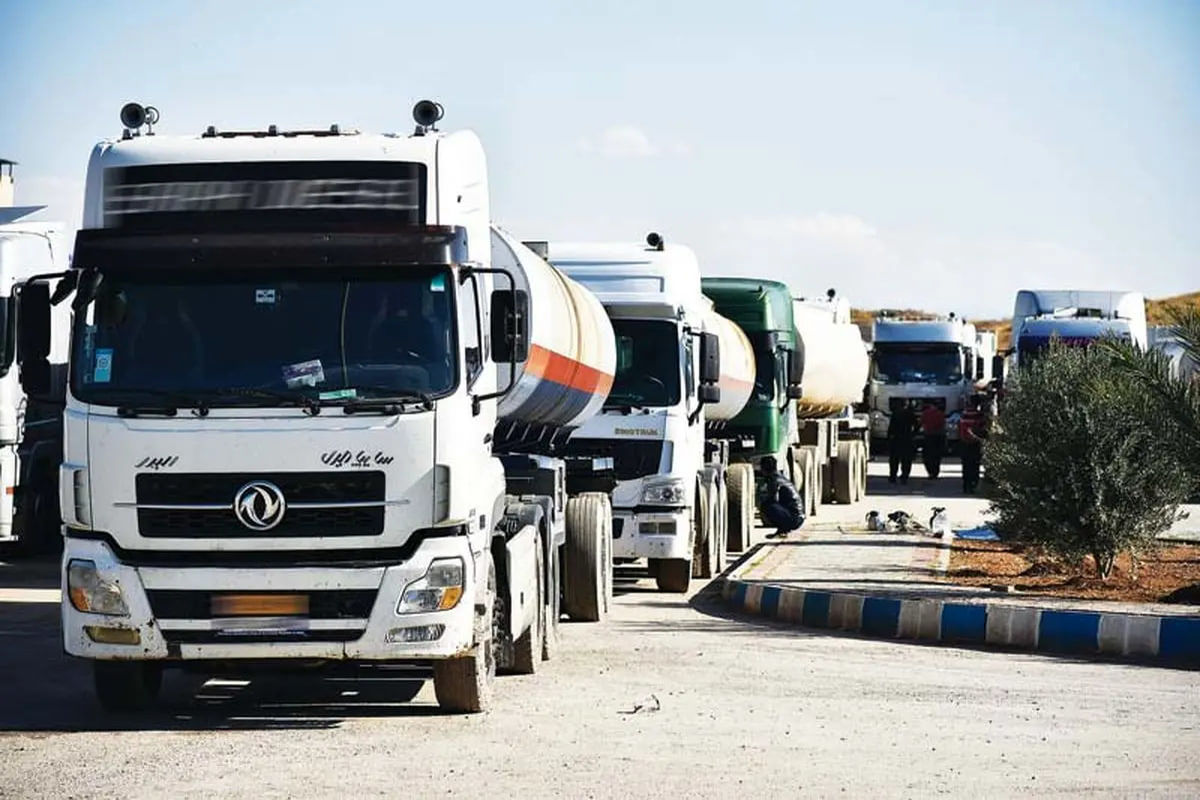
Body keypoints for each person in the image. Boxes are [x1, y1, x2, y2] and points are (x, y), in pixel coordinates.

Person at [757, 455, 804, 539]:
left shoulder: (774, 480)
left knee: (767, 505)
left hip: (794, 518)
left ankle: (783, 529)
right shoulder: (779, 477)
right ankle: (782, 530)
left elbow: (773, 499)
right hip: (798, 517)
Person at [959, 395, 988, 493]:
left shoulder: (964, 414)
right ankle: (973, 484)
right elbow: (983, 430)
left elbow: (960, 428)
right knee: (975, 465)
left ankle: (966, 485)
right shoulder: (979, 415)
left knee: (966, 465)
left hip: (964, 443)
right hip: (975, 443)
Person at [887, 404, 919, 484]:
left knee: (894, 459)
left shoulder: (895, 413)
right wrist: (914, 433)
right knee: (906, 459)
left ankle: (893, 476)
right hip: (907, 438)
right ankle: (904, 476)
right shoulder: (910, 413)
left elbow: (891, 427)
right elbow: (917, 425)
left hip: (896, 438)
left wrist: (889, 437)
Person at [919, 400, 947, 479]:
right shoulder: (940, 414)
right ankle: (935, 472)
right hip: (938, 436)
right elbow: (943, 424)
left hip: (928, 435)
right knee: (936, 456)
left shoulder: (925, 413)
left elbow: (921, 422)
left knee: (927, 455)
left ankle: (930, 471)